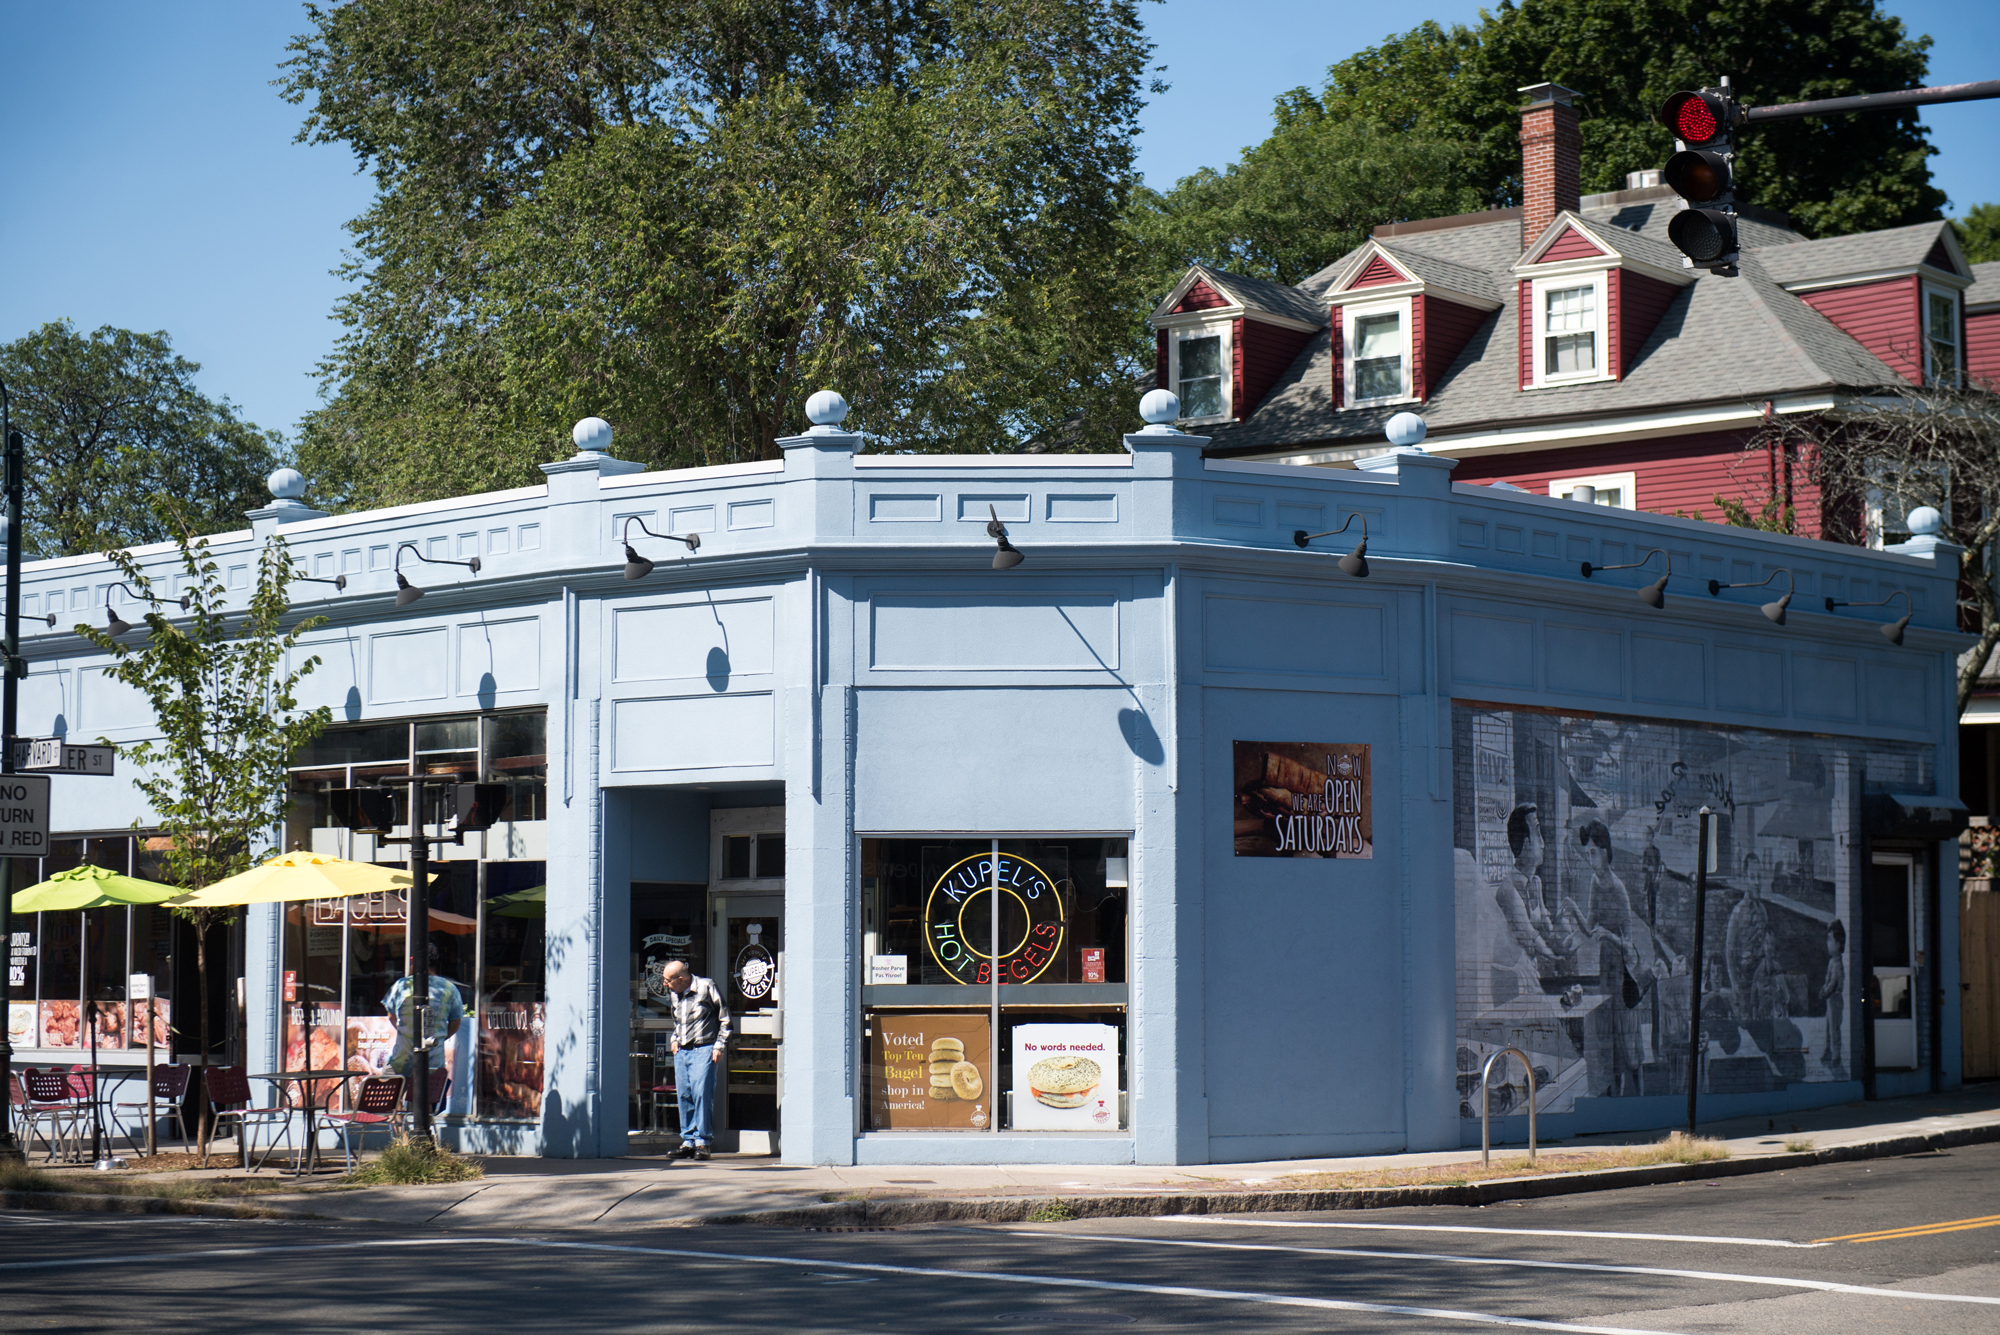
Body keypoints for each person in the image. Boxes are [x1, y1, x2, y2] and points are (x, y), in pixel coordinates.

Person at [662, 959, 730, 1160]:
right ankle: (688, 1141)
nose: (665, 984)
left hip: (704, 1048)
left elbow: (725, 1019)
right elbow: (677, 1020)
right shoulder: (674, 993)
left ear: (680, 978)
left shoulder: (706, 987)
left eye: (667, 980)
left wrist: (719, 1046)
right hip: (682, 1051)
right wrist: (674, 1039)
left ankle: (703, 1142)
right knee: (684, 1095)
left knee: (701, 1094)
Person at [383, 945, 467, 1093]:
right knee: (427, 1105)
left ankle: (396, 1117)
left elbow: (391, 1015)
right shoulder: (449, 988)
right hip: (433, 1062)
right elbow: (456, 1022)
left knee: (392, 1105)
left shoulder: (401, 986)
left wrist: (406, 1031)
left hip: (401, 1061)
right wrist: (440, 1036)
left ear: (413, 962)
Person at [1820, 919, 1847, 1067]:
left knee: (1834, 1027)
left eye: (1830, 940)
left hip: (1835, 999)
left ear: (1838, 945)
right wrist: (1824, 989)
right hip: (1830, 1000)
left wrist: (1825, 991)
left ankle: (1836, 1055)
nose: (1827, 943)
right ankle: (1828, 1050)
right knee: (1828, 1026)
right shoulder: (1832, 962)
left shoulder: (1837, 965)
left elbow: (1833, 983)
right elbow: (1827, 981)